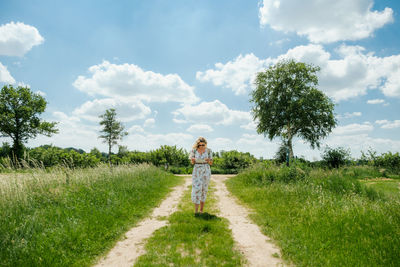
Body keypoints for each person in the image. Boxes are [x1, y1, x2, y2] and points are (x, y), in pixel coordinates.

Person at [189, 137, 213, 214]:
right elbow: (192, 163)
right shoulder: (194, 151)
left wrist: (208, 160)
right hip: (197, 171)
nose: (202, 146)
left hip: (206, 170)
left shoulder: (209, 151)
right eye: (200, 145)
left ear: (205, 144)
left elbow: (211, 163)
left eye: (203, 145)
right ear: (197, 145)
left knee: (204, 190)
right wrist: (193, 160)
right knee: (197, 189)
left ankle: (201, 210)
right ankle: (196, 211)